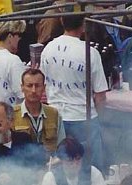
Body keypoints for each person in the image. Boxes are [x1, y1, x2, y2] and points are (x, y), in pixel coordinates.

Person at [41, 13, 109, 172]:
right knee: (91, 168)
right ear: (83, 25)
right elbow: (100, 95)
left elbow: (44, 82)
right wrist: (101, 122)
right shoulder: (89, 52)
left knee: (60, 167)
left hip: (56, 116)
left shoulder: (48, 49)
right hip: (83, 118)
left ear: (62, 20)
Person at [12, 68, 65, 154]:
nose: (33, 90)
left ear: (44, 88)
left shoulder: (54, 114)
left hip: (50, 165)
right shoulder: (12, 115)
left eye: (37, 86)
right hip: (21, 165)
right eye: (29, 86)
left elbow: (62, 145)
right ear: (22, 88)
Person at [0, 20, 27, 106]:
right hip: (10, 112)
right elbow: (22, 92)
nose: (19, 39)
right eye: (18, 35)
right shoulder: (13, 60)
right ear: (10, 36)